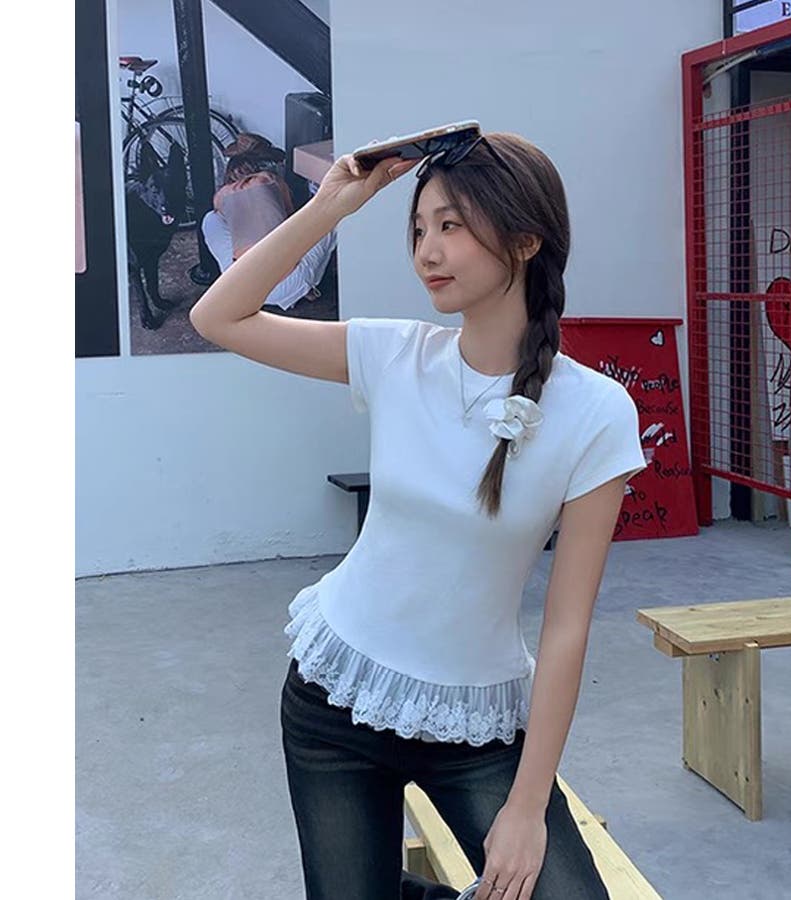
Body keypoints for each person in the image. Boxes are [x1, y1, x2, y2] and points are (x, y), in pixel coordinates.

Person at [189, 131, 648, 900]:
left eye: (452, 226)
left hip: (476, 728)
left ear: (527, 240)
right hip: (336, 701)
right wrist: (333, 205)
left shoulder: (597, 412)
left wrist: (527, 807)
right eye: (419, 228)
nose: (427, 251)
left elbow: (567, 627)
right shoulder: (393, 355)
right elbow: (219, 316)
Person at [200, 132, 337, 312]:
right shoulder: (270, 180)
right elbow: (292, 221)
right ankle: (305, 288)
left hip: (240, 287)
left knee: (210, 220)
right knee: (334, 215)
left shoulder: (221, 195)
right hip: (284, 284)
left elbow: (222, 215)